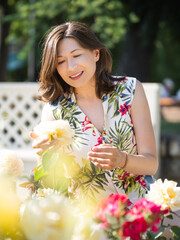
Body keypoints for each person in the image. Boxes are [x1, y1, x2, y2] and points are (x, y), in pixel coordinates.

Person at [30, 21, 158, 204]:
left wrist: (122, 159)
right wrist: (44, 158)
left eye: (76, 55)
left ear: (96, 53)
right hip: (88, 216)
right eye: (61, 61)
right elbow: (49, 184)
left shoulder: (130, 90)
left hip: (140, 208)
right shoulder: (54, 111)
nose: (71, 67)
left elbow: (151, 164)